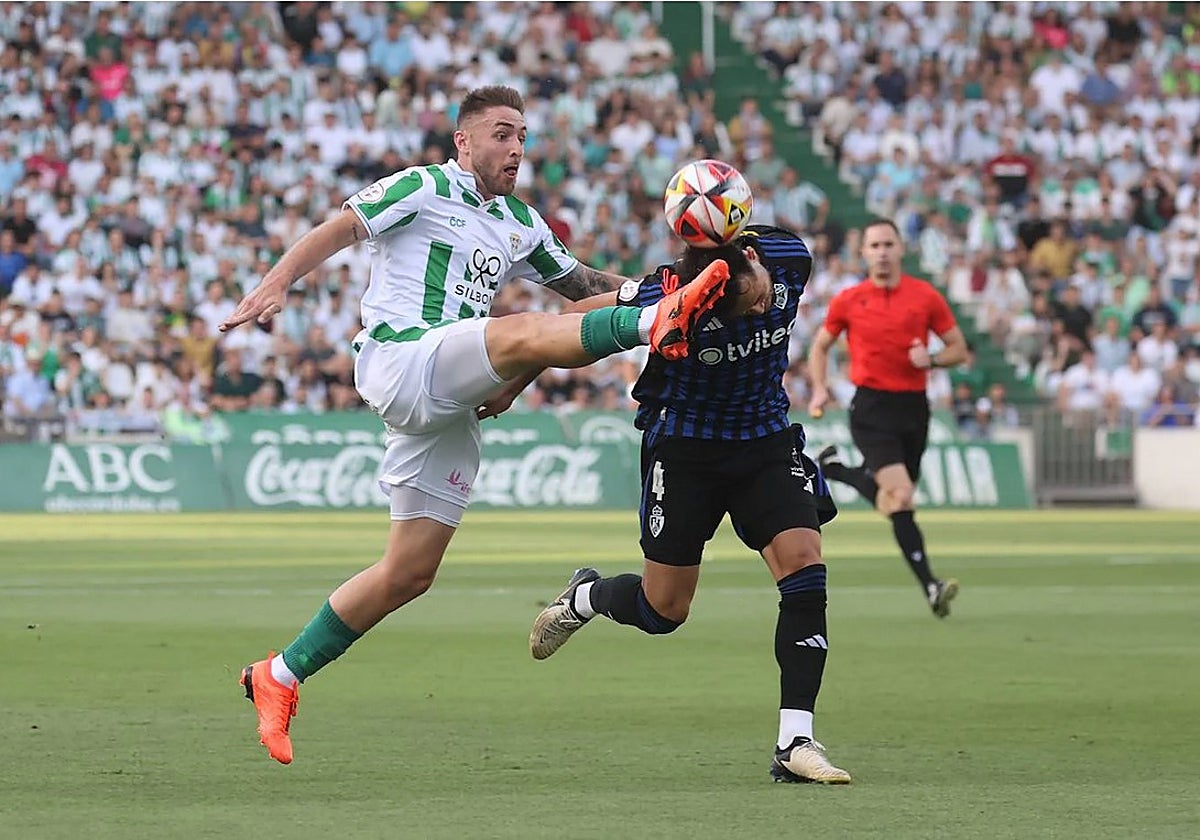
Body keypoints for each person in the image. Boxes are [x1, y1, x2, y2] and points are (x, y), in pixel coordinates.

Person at [221, 85, 732, 765]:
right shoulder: (425, 186)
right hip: (403, 357)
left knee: (409, 572)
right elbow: (340, 228)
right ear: (463, 141)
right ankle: (654, 328)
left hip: (450, 395)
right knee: (517, 328)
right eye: (500, 134)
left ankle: (279, 674)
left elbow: (583, 288)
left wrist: (666, 287)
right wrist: (277, 280)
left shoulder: (521, 222)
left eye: (521, 135)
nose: (516, 147)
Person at [522, 226, 852, 784]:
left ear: (753, 257)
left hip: (764, 441)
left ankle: (795, 741)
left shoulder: (788, 255)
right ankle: (586, 597)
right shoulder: (668, 292)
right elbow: (574, 321)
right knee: (664, 611)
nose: (761, 309)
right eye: (745, 308)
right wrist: (513, 381)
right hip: (685, 450)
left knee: (805, 569)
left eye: (761, 295)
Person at [806, 218, 968, 618]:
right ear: (863, 252)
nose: (881, 252)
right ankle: (931, 585)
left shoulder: (925, 296)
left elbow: (958, 349)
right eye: (874, 245)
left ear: (900, 249)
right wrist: (820, 388)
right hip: (871, 408)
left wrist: (932, 359)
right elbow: (820, 346)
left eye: (888, 244)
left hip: (914, 409)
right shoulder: (849, 300)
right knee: (901, 496)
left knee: (893, 502)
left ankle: (836, 470)